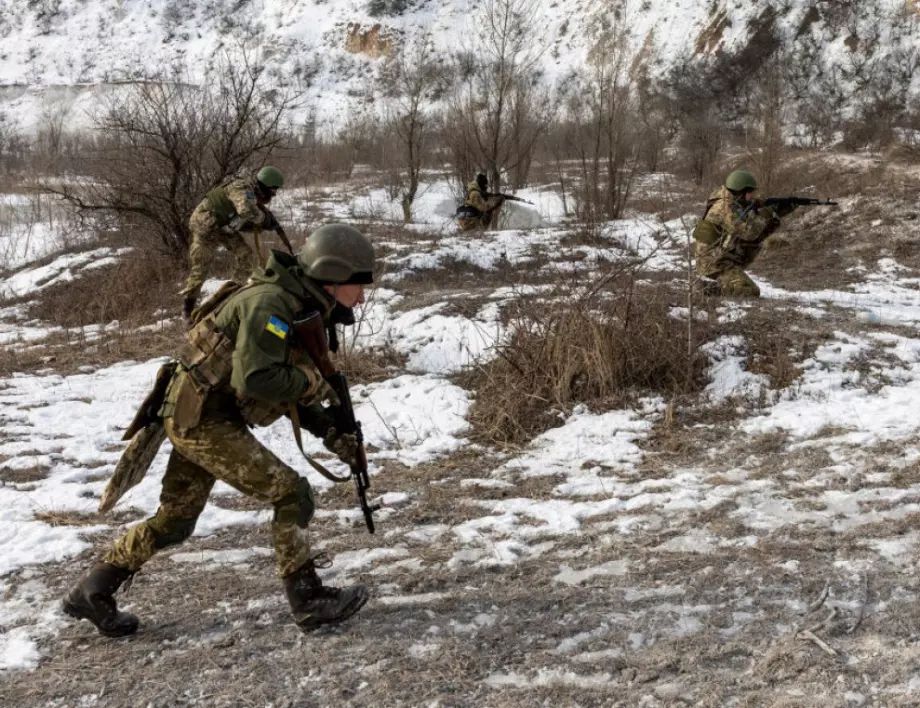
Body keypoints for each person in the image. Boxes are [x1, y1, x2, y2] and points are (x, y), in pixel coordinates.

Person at [63, 224, 376, 637]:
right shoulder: (272, 305)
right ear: (332, 275)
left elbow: (283, 389)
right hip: (203, 420)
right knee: (291, 493)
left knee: (176, 521)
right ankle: (308, 599)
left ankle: (93, 588)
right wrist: (312, 384)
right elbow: (260, 380)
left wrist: (331, 432)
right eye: (359, 284)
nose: (363, 295)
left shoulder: (298, 303)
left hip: (199, 413)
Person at [181, 166, 287, 320]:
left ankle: (229, 295)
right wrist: (263, 219)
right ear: (265, 184)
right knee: (201, 268)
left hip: (224, 228)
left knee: (247, 257)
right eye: (273, 190)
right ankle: (187, 310)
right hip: (205, 227)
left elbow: (241, 221)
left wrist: (263, 225)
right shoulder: (242, 188)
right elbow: (245, 210)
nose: (274, 194)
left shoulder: (253, 196)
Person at [693, 170, 799, 297]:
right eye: (750, 193)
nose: (752, 196)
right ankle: (706, 289)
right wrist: (768, 212)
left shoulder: (730, 201)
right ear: (740, 192)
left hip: (719, 258)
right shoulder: (726, 207)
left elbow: (755, 237)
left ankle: (719, 283)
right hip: (715, 263)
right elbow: (750, 233)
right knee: (749, 291)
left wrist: (779, 213)